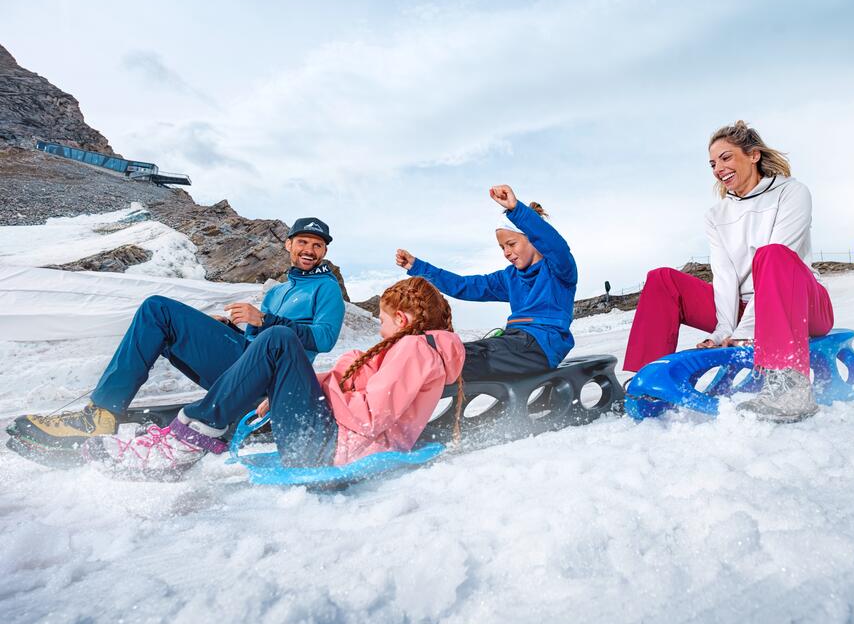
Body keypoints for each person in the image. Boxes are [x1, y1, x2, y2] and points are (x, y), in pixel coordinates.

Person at [8, 217, 346, 451]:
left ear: (324, 252)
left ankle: (104, 414)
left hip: (274, 384)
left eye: (317, 245)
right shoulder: (278, 291)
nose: (309, 249)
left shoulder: (326, 289)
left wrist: (266, 320)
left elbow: (324, 339)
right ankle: (103, 413)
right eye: (303, 241)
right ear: (288, 244)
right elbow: (255, 341)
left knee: (159, 307)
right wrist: (229, 328)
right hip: (246, 368)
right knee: (161, 318)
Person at [82, 277, 465, 480]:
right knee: (274, 340)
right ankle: (187, 432)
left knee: (279, 338)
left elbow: (369, 418)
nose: (379, 328)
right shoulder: (413, 349)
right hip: (326, 439)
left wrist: (319, 384)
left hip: (333, 448)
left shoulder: (415, 349)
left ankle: (186, 441)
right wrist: (284, 392)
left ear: (403, 319)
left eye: (382, 319)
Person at [623, 120, 834, 423]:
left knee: (772, 255)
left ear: (753, 155)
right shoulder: (716, 216)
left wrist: (746, 333)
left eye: (725, 158)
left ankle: (791, 389)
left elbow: (783, 257)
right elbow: (724, 277)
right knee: (662, 279)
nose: (718, 169)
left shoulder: (792, 193)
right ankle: (644, 387)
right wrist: (724, 330)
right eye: (712, 164)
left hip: (801, 304)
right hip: (743, 311)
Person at [395, 185, 577, 379]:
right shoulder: (509, 277)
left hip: (542, 345)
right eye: (502, 247)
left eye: (511, 244)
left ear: (534, 240)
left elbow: (555, 245)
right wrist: (418, 267)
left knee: (452, 358)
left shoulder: (559, 270)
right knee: (447, 352)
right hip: (515, 341)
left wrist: (516, 209)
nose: (506, 252)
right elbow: (464, 286)